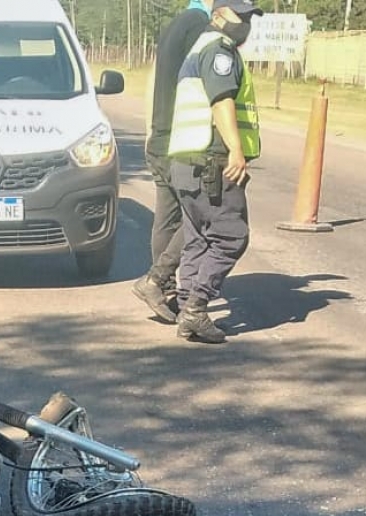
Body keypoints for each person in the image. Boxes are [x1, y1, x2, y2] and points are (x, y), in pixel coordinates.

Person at [167, 0, 263, 343]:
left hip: (186, 162)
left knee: (197, 237)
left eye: (251, 18)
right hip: (213, 160)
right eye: (242, 17)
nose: (247, 25)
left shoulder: (200, 48)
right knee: (231, 236)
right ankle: (196, 307)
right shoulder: (219, 50)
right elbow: (221, 100)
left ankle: (185, 309)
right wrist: (236, 150)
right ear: (220, 15)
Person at [132, 0, 214, 324]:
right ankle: (157, 278)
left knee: (166, 217)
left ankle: (162, 288)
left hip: (160, 134)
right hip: (183, 139)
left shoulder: (176, 24)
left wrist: (150, 129)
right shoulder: (200, 27)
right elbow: (206, 84)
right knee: (202, 215)